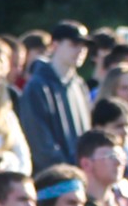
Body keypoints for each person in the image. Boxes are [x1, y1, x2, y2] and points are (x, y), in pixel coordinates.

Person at [17, 23, 92, 175]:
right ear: (55, 45)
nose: (80, 50)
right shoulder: (37, 87)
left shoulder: (80, 85)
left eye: (84, 45)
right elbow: (40, 144)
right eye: (74, 44)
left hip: (79, 177)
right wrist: (66, 172)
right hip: (51, 180)